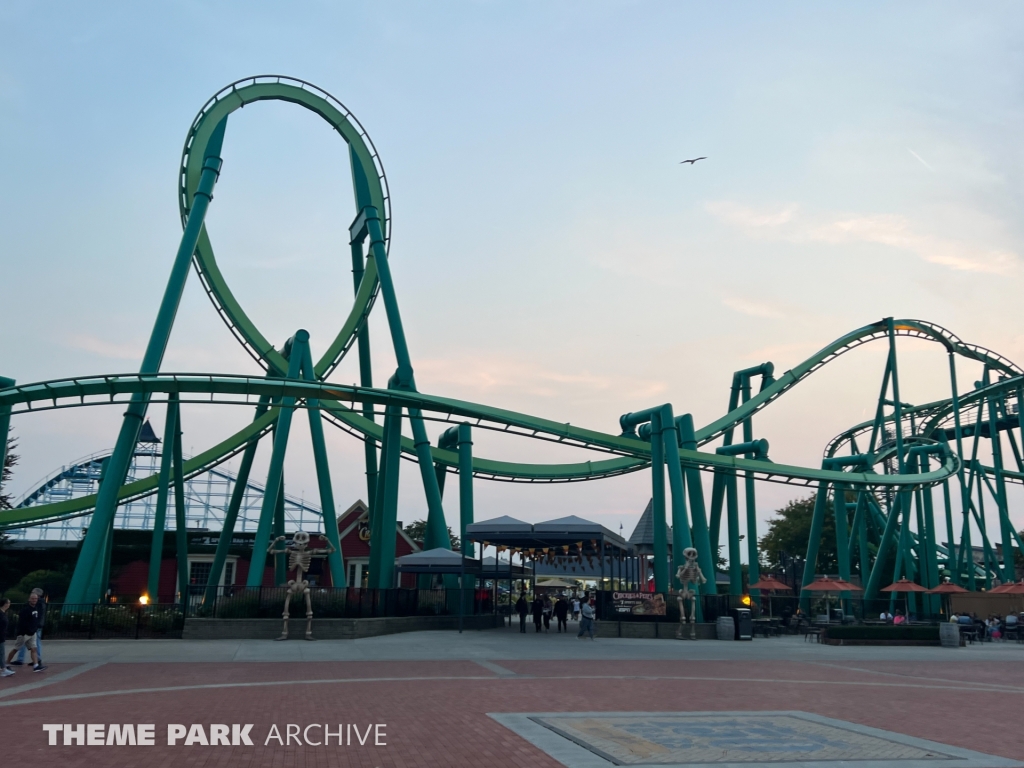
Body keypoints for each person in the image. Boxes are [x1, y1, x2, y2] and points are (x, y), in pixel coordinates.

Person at [6, 593, 46, 672]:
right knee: (16, 649)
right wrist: (25, 631)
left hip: (32, 632)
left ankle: (36, 665)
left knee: (33, 649)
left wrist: (34, 628)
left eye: (35, 599)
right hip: (24, 633)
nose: (34, 600)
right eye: (33, 599)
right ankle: (6, 664)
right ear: (29, 599)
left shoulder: (36, 609)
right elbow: (22, 622)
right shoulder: (25, 610)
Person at [0, 599, 12, 678]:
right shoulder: (1, 614)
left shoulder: (3, 613)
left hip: (2, 635)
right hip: (0, 636)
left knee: (1, 653)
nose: (9, 605)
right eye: (8, 603)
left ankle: (3, 668)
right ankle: (3, 669)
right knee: (1, 653)